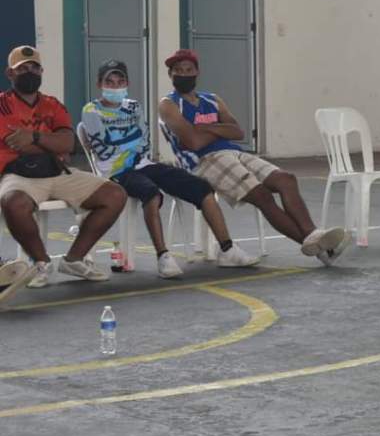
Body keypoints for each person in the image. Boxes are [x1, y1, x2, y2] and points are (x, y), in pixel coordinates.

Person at [158, 49, 349, 265]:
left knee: (286, 179)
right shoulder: (169, 104)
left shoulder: (212, 99)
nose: (184, 74)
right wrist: (219, 129)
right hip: (204, 161)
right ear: (170, 75)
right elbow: (193, 143)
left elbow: (238, 132)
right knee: (262, 196)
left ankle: (313, 235)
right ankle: (320, 248)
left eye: (188, 70)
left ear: (197, 72)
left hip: (234, 152)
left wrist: (202, 128)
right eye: (178, 70)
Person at [81, 60, 260, 278]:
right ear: (100, 84)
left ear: (127, 83)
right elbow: (105, 150)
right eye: (110, 82)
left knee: (203, 189)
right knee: (151, 193)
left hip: (143, 163)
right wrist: (129, 142)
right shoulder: (91, 110)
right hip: (116, 172)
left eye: (120, 81)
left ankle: (227, 249)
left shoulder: (134, 106)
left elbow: (144, 141)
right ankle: (163, 257)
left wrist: (122, 141)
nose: (116, 86)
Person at [0, 45, 127, 287]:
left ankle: (74, 259)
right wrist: (51, 143)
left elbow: (68, 143)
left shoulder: (53, 104)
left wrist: (33, 137)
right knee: (13, 203)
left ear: (41, 72)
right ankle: (41, 263)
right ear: (10, 73)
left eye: (34, 68)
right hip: (19, 174)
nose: (30, 73)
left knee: (114, 194)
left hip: (57, 172)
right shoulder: (2, 105)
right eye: (23, 69)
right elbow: (16, 144)